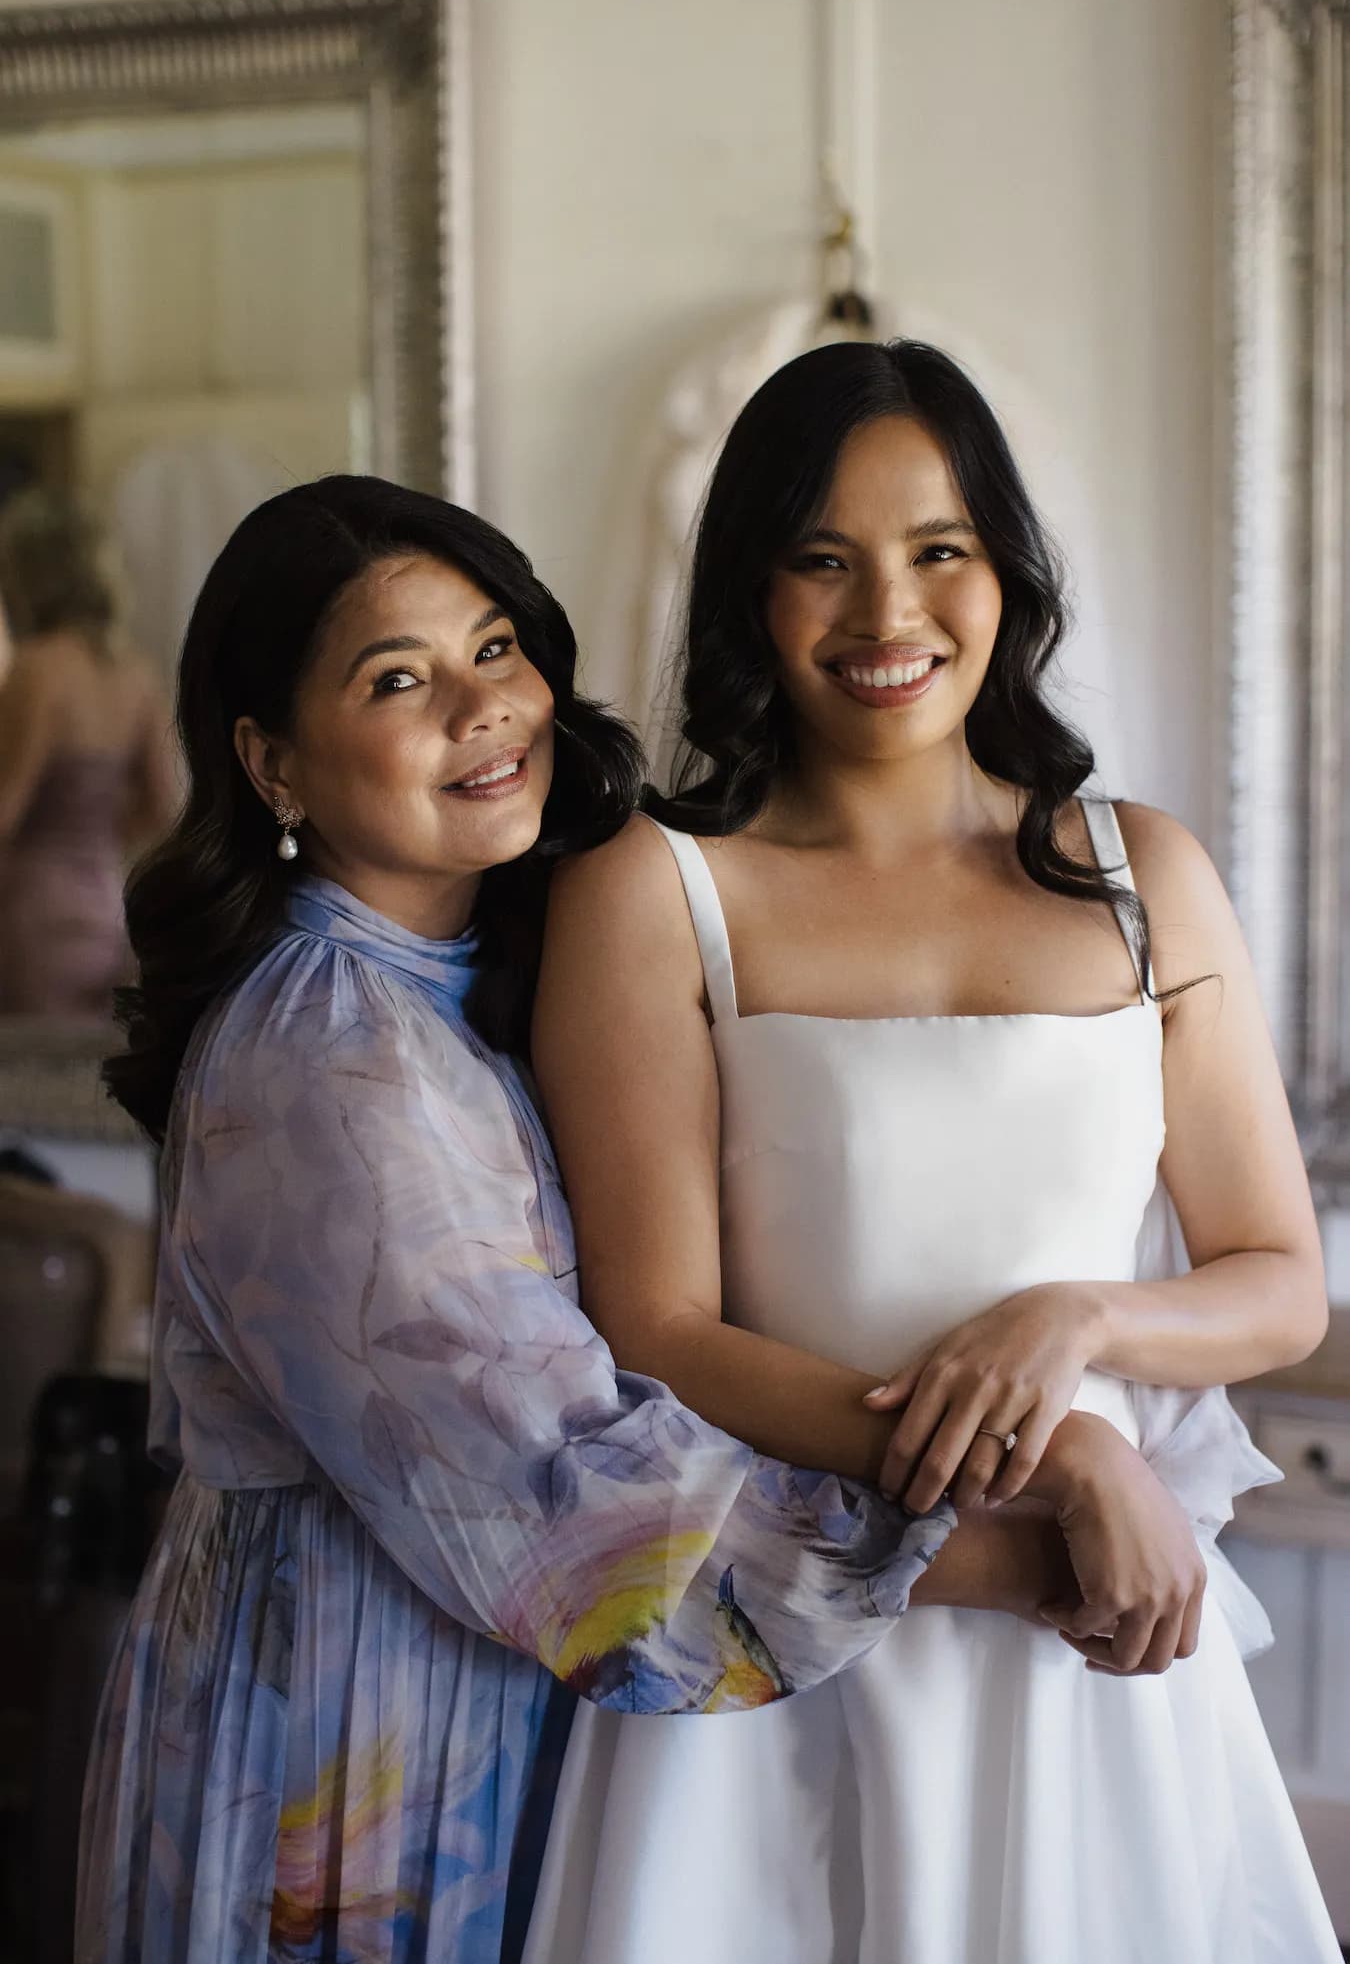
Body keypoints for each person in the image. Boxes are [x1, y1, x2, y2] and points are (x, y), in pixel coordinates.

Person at [77, 472, 1004, 1964]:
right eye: (399, 677)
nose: (482, 704)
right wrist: (1010, 1562)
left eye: (495, 645)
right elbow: (575, 1495)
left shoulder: (466, 981)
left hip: (470, 1712)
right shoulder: (331, 1068)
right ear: (274, 763)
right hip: (342, 1767)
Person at [527, 341, 1339, 1963]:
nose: (886, 613)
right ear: (752, 592)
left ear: (1007, 577)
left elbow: (1278, 1286)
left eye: (937, 552)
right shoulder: (654, 889)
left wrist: (1082, 1325)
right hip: (798, 1643)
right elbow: (661, 1330)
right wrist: (1069, 1455)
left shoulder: (1142, 876)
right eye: (823, 559)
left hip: (1096, 1638)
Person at [0, 489, 177, 1016]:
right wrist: (92, 838)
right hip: (106, 904)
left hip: (34, 911)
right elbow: (163, 810)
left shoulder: (37, 670)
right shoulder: (135, 675)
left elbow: (5, 811)